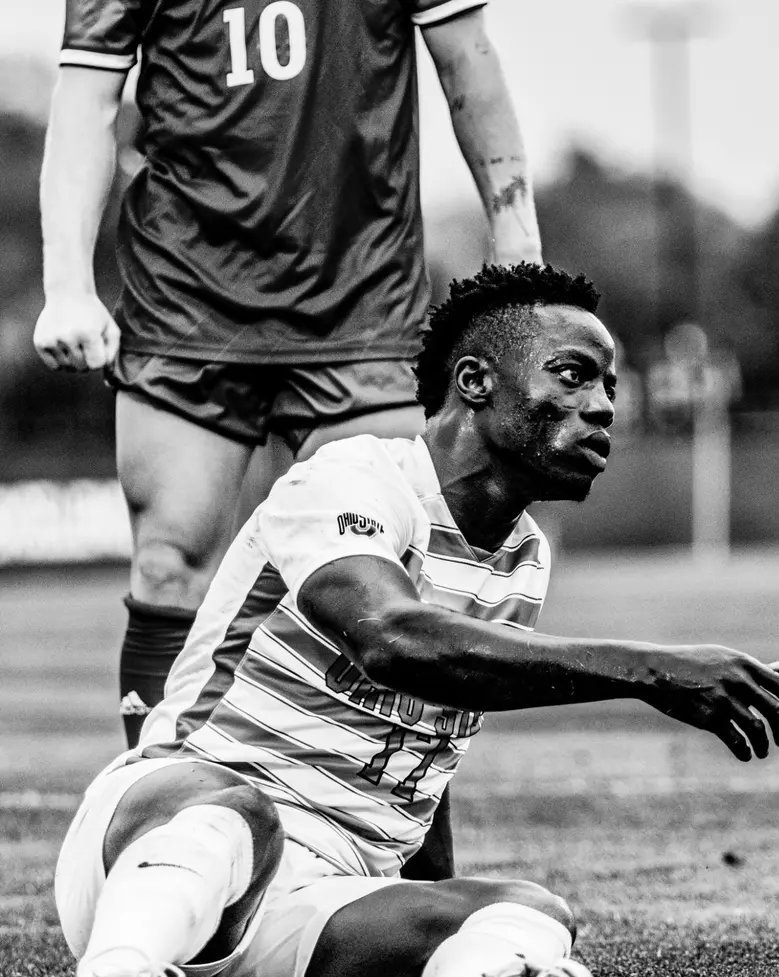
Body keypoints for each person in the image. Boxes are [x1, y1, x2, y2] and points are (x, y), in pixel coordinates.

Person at [32, 264, 779, 977]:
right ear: (474, 381)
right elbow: (392, 638)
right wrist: (653, 672)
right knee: (234, 809)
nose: (604, 406)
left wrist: (437, 903)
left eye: (609, 386)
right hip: (162, 852)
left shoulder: (521, 557)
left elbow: (426, 732)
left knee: (531, 914)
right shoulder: (353, 478)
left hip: (306, 916)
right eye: (574, 375)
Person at [33, 0, 542, 879]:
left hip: (363, 301)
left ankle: (406, 888)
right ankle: (159, 873)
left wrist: (517, 240)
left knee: (394, 579)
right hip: (183, 297)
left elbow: (470, 61)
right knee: (165, 566)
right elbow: (85, 102)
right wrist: (67, 284)